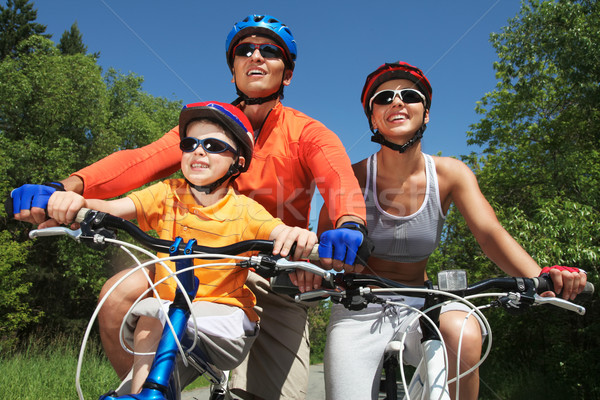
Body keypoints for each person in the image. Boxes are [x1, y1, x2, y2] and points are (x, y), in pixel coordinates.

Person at [10, 15, 368, 399]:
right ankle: (152, 387)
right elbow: (137, 162)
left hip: (273, 272)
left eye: (270, 51)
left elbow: (338, 181)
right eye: (244, 50)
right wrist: (61, 190)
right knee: (116, 294)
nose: (256, 57)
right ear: (233, 71)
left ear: (288, 74)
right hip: (194, 263)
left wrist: (349, 225)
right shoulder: (204, 132)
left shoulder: (308, 134)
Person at [314, 61, 588, 400]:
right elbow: (321, 253)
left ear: (425, 113)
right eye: (383, 98)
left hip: (424, 303)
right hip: (359, 306)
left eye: (409, 96)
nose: (397, 102)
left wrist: (543, 279)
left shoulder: (451, 174)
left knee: (464, 329)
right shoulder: (349, 177)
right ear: (373, 118)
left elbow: (490, 234)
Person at [46, 101, 318, 394]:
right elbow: (112, 208)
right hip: (171, 312)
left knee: (156, 312)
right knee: (151, 318)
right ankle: (147, 392)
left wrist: (297, 236)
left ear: (238, 162)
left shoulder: (245, 210)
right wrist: (77, 203)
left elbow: (279, 230)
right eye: (190, 144)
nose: (199, 151)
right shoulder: (167, 194)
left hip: (227, 321)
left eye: (213, 145)